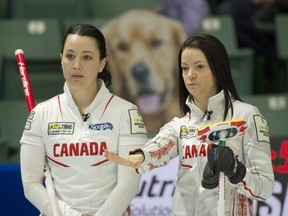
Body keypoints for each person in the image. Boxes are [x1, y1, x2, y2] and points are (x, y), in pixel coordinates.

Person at [105, 34, 275, 215]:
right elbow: (159, 146)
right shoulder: (180, 126)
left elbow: (265, 187)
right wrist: (139, 156)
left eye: (200, 67)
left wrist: (236, 171)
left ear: (218, 70)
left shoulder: (247, 116)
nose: (190, 75)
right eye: (185, 68)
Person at [20, 24, 148, 216]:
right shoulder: (41, 113)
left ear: (102, 63)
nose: (77, 65)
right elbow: (30, 184)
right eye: (70, 56)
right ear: (60, 60)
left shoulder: (126, 112)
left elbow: (128, 185)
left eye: (87, 57)